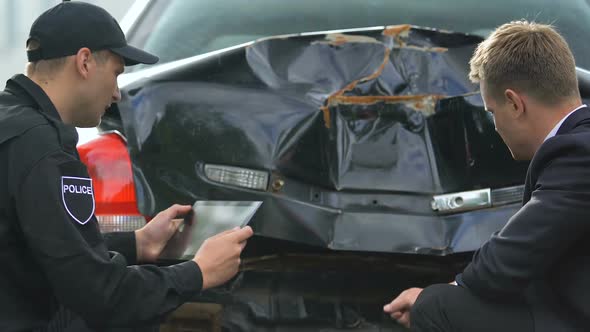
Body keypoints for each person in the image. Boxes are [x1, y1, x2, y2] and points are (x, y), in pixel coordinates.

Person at [0, 1, 253, 331]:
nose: (118, 93)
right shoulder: (42, 150)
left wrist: (138, 243)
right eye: (117, 73)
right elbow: (100, 294)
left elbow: (39, 248)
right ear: (85, 62)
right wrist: (199, 272)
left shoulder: (12, 126)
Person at [383, 21, 590, 331]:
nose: (494, 126)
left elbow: (515, 254)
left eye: (492, 111)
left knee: (435, 306)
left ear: (515, 103)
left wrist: (454, 287)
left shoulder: (579, 154)